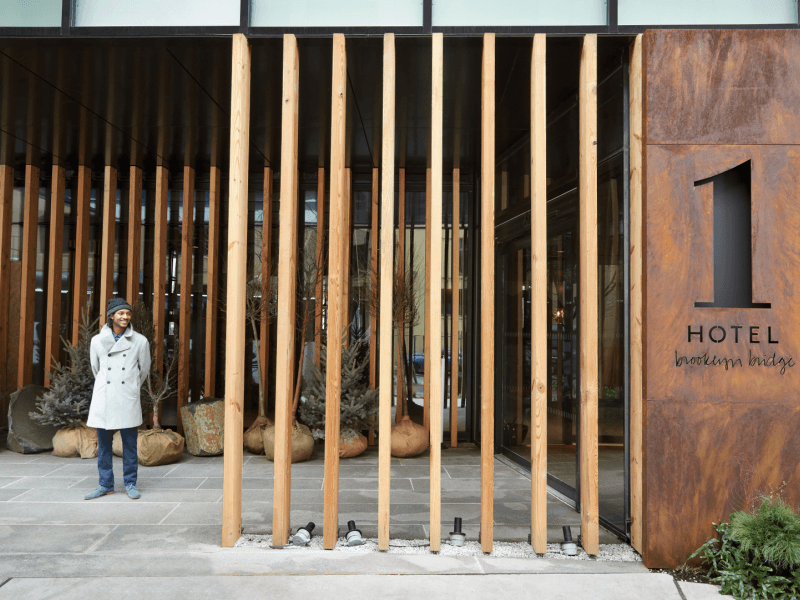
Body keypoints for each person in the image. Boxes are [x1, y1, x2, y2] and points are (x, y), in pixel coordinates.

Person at [84, 298, 151, 500]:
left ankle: (130, 483)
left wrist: (129, 387)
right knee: (104, 445)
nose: (125, 317)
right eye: (121, 313)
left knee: (130, 444)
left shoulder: (140, 341)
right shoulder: (97, 341)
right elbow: (96, 369)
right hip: (104, 397)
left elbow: (144, 370)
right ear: (111, 316)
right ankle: (105, 484)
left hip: (126, 397)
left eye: (128, 313)